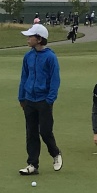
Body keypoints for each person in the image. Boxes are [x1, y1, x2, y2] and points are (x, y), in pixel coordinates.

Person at [17, 24, 62, 175]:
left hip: (44, 100)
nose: (28, 39)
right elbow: (24, 77)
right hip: (29, 99)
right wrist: (21, 96)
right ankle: (32, 164)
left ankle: (55, 153)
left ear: (39, 39)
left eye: (30, 36)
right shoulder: (28, 56)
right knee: (31, 133)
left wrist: (50, 99)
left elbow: (55, 80)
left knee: (45, 131)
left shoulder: (50, 57)